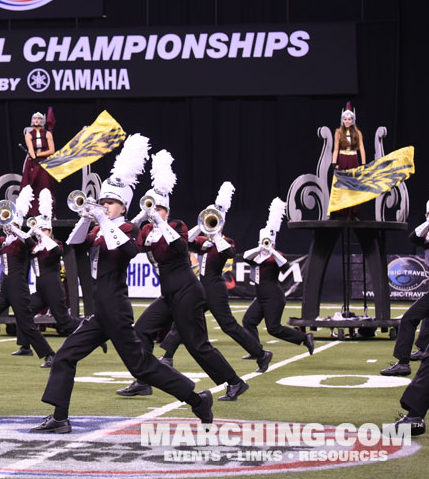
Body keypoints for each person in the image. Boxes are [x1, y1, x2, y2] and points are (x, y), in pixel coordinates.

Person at [32, 135, 213, 434]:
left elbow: (129, 252)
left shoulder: (128, 228)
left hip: (115, 309)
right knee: (65, 355)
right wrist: (86, 216)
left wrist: (103, 221)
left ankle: (197, 399)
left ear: (123, 205)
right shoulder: (101, 229)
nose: (105, 205)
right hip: (99, 312)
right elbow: (74, 243)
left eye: (111, 202)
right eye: (104, 201)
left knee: (141, 366)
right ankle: (60, 417)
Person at [121, 153, 248, 402]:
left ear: (166, 210)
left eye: (158, 207)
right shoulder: (146, 229)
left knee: (196, 345)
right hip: (169, 295)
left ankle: (234, 382)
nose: (153, 211)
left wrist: (161, 222)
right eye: (151, 206)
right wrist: (138, 222)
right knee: (142, 330)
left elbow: (181, 247)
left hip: (188, 292)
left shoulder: (177, 226)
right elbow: (132, 248)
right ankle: (143, 380)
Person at [156, 182, 272, 373]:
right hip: (200, 287)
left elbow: (230, 252)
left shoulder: (225, 241)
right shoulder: (203, 242)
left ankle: (260, 354)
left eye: (215, 220)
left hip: (214, 288)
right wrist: (202, 224)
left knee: (228, 326)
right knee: (184, 317)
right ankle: (167, 356)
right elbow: (186, 240)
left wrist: (215, 231)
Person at [0, 186, 57, 367]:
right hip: (5, 290)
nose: (8, 228)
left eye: (12, 224)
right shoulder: (3, 242)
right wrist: (0, 224)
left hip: (19, 289)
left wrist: (15, 228)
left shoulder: (22, 242)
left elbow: (32, 244)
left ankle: (49, 355)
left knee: (26, 325)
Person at [242, 198, 315, 356]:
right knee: (248, 321)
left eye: (269, 242)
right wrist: (261, 247)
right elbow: (246, 257)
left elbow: (286, 267)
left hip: (273, 296)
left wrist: (272, 250)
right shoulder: (256, 255)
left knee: (273, 329)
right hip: (261, 297)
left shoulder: (277, 256)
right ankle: (256, 351)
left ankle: (304, 337)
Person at [12, 188, 78, 356]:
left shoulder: (55, 243)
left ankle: (93, 332)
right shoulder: (35, 246)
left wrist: (43, 234)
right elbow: (23, 242)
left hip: (54, 288)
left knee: (64, 322)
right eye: (41, 230)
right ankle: (25, 346)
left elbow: (57, 252)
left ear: (50, 230)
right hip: (41, 290)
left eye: (46, 230)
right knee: (24, 313)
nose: (42, 233)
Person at [381, 186, 429, 377]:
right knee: (419, 318)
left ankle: (405, 362)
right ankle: (408, 360)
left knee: (409, 319)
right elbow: (414, 237)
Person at [331, 102, 367, 219]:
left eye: (349, 119)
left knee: (353, 186)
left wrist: (363, 164)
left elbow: (361, 148)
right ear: (342, 120)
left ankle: (353, 212)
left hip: (353, 160)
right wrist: (334, 163)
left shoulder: (357, 133)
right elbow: (335, 149)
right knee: (340, 185)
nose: (347, 121)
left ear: (353, 120)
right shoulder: (338, 133)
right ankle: (337, 212)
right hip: (342, 159)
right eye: (345, 119)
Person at [20, 111, 56, 217]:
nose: (36, 121)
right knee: (29, 186)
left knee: (46, 186)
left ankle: (48, 213)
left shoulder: (48, 134)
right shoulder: (29, 135)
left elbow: (52, 151)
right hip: (32, 164)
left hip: (44, 163)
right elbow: (31, 150)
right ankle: (28, 213)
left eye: (39, 119)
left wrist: (38, 154)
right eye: (35, 118)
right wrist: (35, 157)